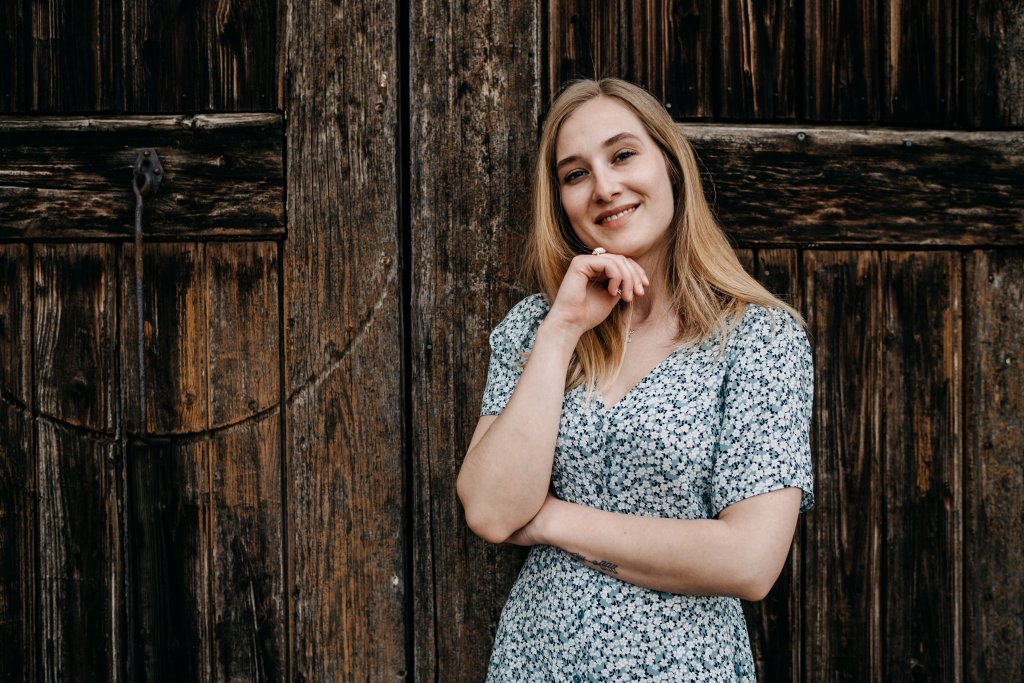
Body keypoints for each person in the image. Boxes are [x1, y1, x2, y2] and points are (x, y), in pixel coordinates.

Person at [456, 78, 814, 682]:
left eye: (623, 155)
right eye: (575, 174)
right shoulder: (535, 328)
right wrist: (563, 327)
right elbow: (491, 512)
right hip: (536, 663)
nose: (605, 187)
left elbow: (750, 561)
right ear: (561, 204)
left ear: (671, 168)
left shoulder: (760, 339)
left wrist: (548, 521)